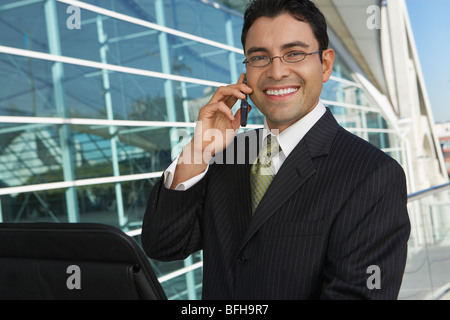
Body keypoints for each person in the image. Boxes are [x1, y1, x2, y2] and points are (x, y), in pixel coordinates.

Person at [141, 0, 411, 300]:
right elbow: (164, 245)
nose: (277, 71)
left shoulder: (372, 174)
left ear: (325, 64)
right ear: (245, 74)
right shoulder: (228, 153)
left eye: (294, 53)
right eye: (259, 57)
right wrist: (198, 151)